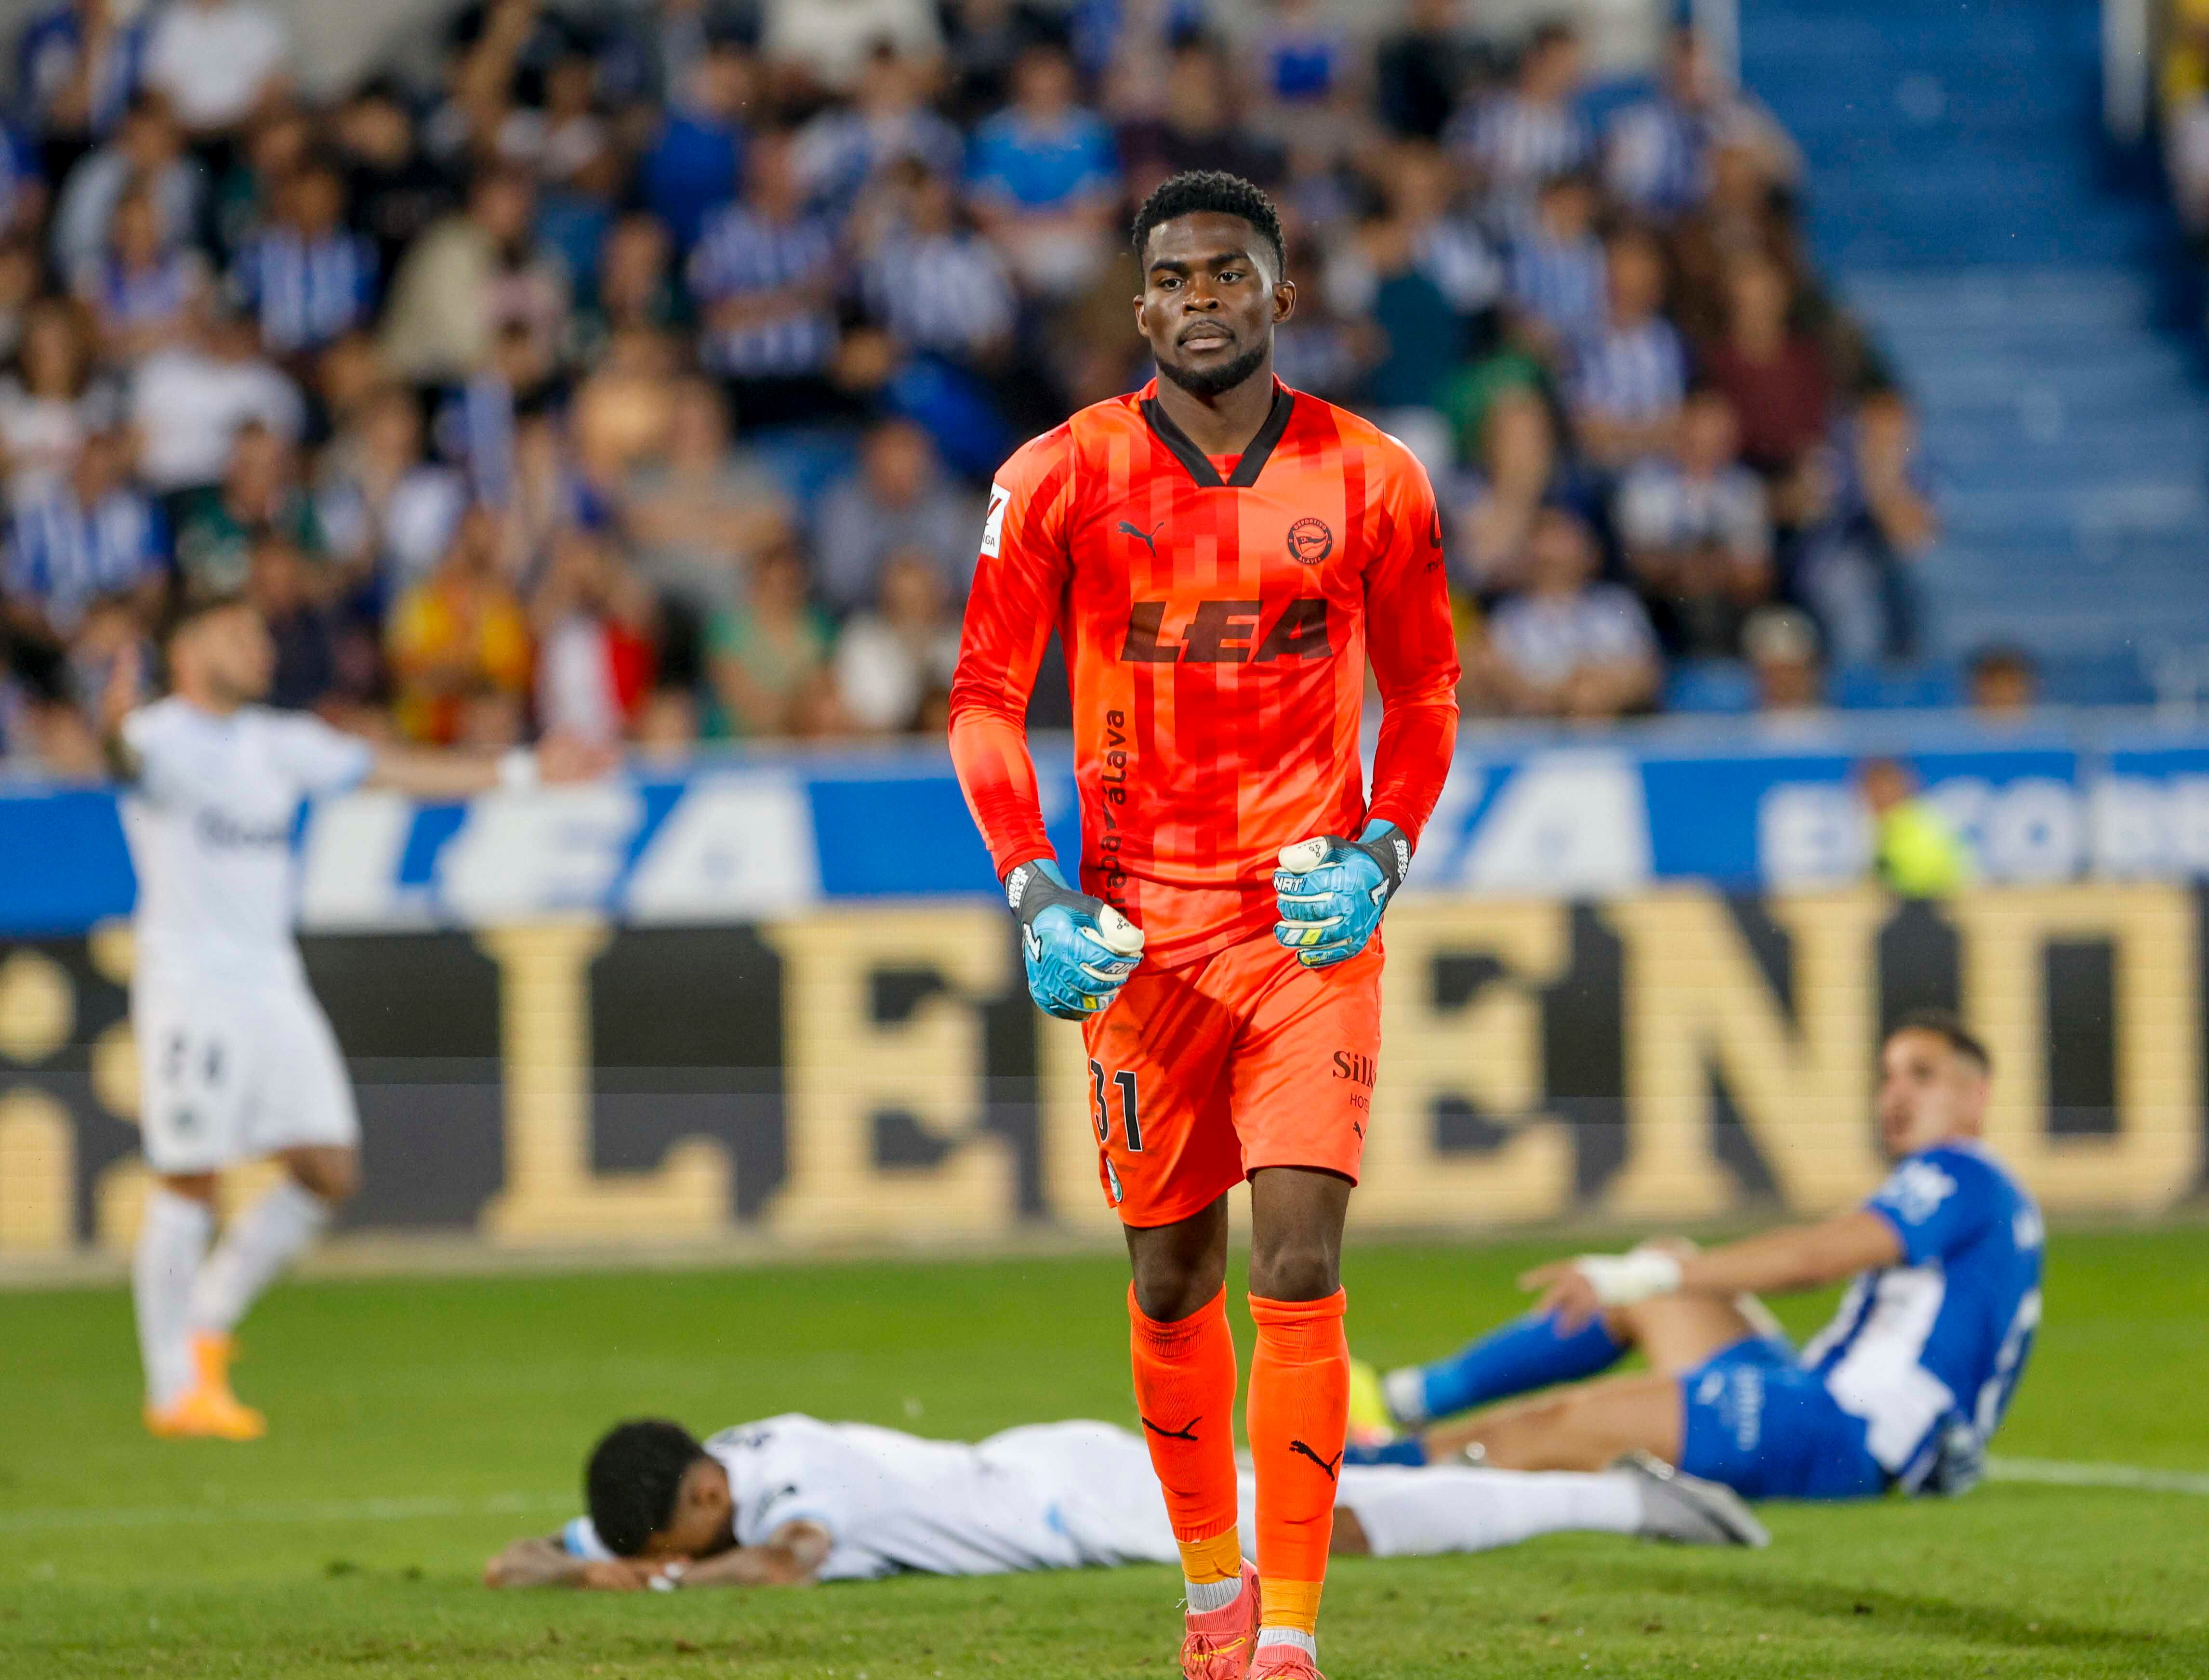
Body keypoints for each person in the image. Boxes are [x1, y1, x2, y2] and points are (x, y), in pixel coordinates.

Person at [948, 170, 1458, 1680]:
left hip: (1307, 925)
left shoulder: (1373, 478)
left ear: (1281, 296)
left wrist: (1379, 848)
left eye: (1229, 272)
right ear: (1139, 304)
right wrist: (1033, 885)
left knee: (1295, 1260)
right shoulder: (1057, 476)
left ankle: (1290, 1637)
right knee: (1170, 1278)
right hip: (1132, 937)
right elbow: (982, 702)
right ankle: (1213, 1587)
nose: (1200, 298)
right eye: (1172, 277)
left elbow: (1424, 692)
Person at [102, 593, 605, 1441]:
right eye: (236, 631)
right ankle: (172, 1387)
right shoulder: (161, 737)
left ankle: (208, 1321)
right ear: (185, 653)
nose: (258, 644)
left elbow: (387, 769)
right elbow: (123, 763)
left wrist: (522, 772)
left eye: (258, 628)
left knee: (329, 1168)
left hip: (271, 981)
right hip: (192, 987)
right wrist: (111, 723)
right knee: (192, 1175)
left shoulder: (276, 742)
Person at [1347, 1012, 2043, 1508]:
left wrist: (1650, 1277)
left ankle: (1370, 1468)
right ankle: (1406, 1400)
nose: (1895, 1095)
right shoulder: (1987, 1194)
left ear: (1974, 1096)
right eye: (1888, 1076)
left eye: (1922, 1076)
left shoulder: (1960, 1174)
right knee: (1659, 1267)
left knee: (1561, 1423)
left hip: (1850, 1434)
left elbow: (1814, 1258)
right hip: (1824, 1402)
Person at [482, 1409, 1766, 1590]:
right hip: (1048, 1467)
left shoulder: (804, 1492)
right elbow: (528, 1556)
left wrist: (643, 1580)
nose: (673, 1546)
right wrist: (563, 1556)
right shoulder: (703, 1470)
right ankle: (1527, 1481)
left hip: (1081, 1504)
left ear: (706, 1494)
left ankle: (1615, 1504)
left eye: (681, 1533)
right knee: (1323, 1496)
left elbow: (781, 1564)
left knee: (1337, 1530)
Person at [1472, 507, 1659, 720]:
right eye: (1544, 546)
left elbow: (1648, 674)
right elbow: (1491, 678)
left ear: (1589, 552)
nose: (1553, 554)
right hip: (1537, 730)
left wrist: (1597, 691)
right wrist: (1564, 695)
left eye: (1563, 542)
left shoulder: (1617, 606)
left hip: (1616, 726)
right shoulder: (1507, 618)